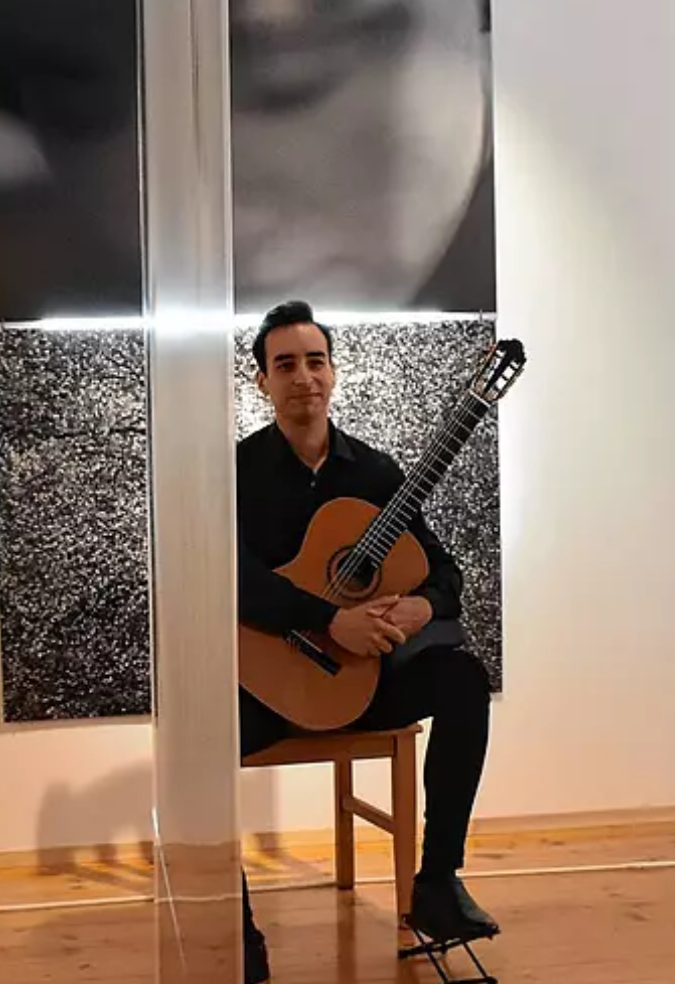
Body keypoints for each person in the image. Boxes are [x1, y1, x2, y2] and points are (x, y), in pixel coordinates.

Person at [236, 301, 497, 983]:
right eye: (285, 364)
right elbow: (228, 582)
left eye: (315, 361)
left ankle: (436, 882)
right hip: (269, 689)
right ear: (261, 381)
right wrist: (328, 619)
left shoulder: (377, 476)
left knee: (464, 679)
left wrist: (419, 606)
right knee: (200, 737)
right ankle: (236, 933)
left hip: (358, 684)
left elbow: (446, 573)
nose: (303, 377)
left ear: (334, 373)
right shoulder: (233, 473)